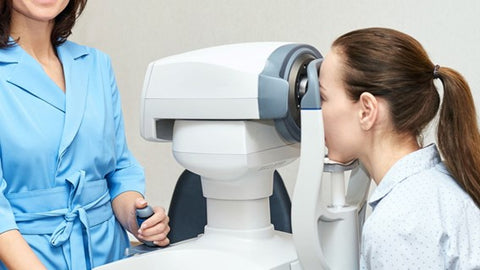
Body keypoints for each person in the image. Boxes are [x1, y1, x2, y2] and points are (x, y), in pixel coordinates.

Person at [0, 0, 170, 269]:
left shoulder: (96, 65)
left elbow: (119, 168)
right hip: (27, 257)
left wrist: (138, 220)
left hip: (107, 254)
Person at [319, 27, 480, 269]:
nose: (315, 113)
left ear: (366, 110)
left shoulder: (399, 224)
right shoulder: (440, 182)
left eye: (322, 98)